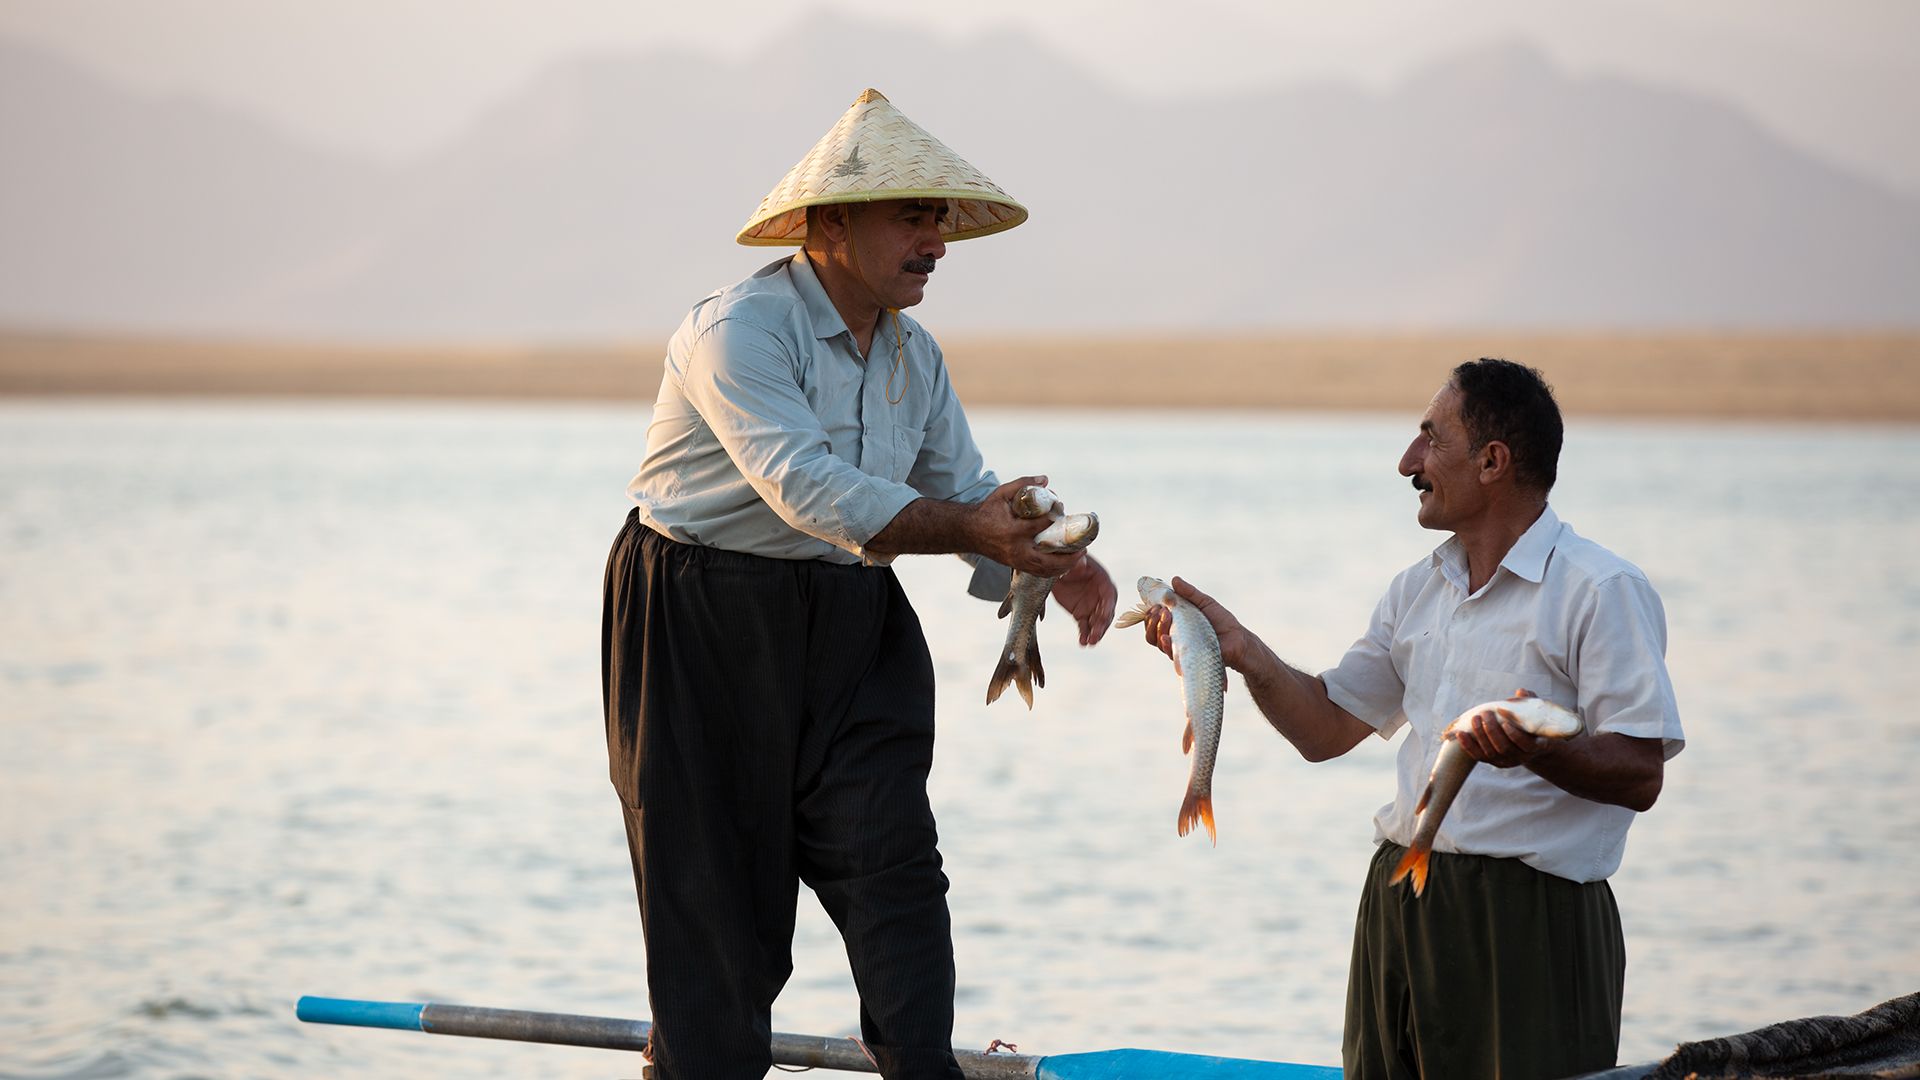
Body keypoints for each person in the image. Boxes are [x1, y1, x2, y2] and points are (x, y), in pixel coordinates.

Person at [601, 89, 1116, 1080]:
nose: (935, 242)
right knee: (722, 928)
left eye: (939, 221)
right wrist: (973, 527)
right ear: (830, 225)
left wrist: (1056, 555)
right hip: (699, 624)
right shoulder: (735, 332)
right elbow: (808, 491)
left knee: (899, 881)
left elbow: (965, 489)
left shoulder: (914, 354)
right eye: (912, 217)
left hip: (849, 619)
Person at [1137, 359, 1683, 1079]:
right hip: (1399, 901)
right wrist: (1245, 655)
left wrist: (1535, 752)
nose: (1407, 462)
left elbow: (1641, 773)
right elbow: (1325, 728)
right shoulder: (1417, 589)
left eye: (1430, 438)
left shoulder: (1600, 589)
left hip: (1532, 922)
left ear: (1492, 461)